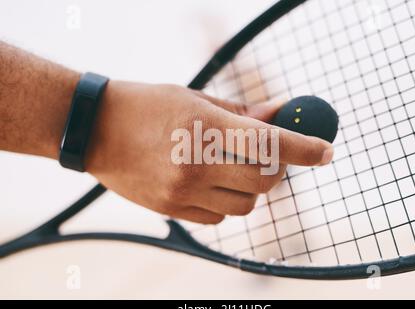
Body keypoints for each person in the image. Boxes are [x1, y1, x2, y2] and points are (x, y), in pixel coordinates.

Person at [0, 41, 333, 224]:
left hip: (256, 150)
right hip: (254, 151)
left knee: (274, 198)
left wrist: (102, 128)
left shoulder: (253, 77)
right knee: (273, 197)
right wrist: (104, 128)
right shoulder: (252, 77)